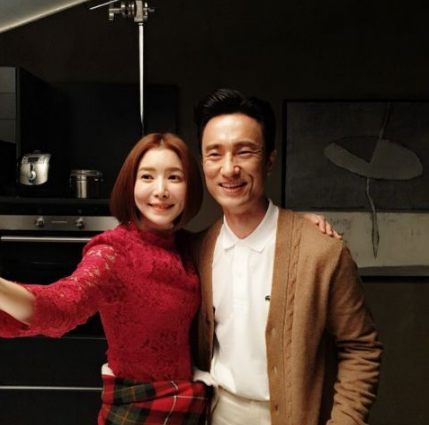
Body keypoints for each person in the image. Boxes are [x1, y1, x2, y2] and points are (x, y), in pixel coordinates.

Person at [191, 88, 383, 425]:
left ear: (269, 160)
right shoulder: (196, 250)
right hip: (217, 412)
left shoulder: (322, 251)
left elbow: (361, 349)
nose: (229, 168)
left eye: (244, 152)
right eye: (214, 154)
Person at [0, 133, 209, 425]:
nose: (161, 190)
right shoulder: (113, 251)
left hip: (186, 409)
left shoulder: (187, 246)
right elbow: (61, 305)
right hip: (135, 410)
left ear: (190, 187)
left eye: (174, 177)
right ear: (130, 185)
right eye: (147, 177)